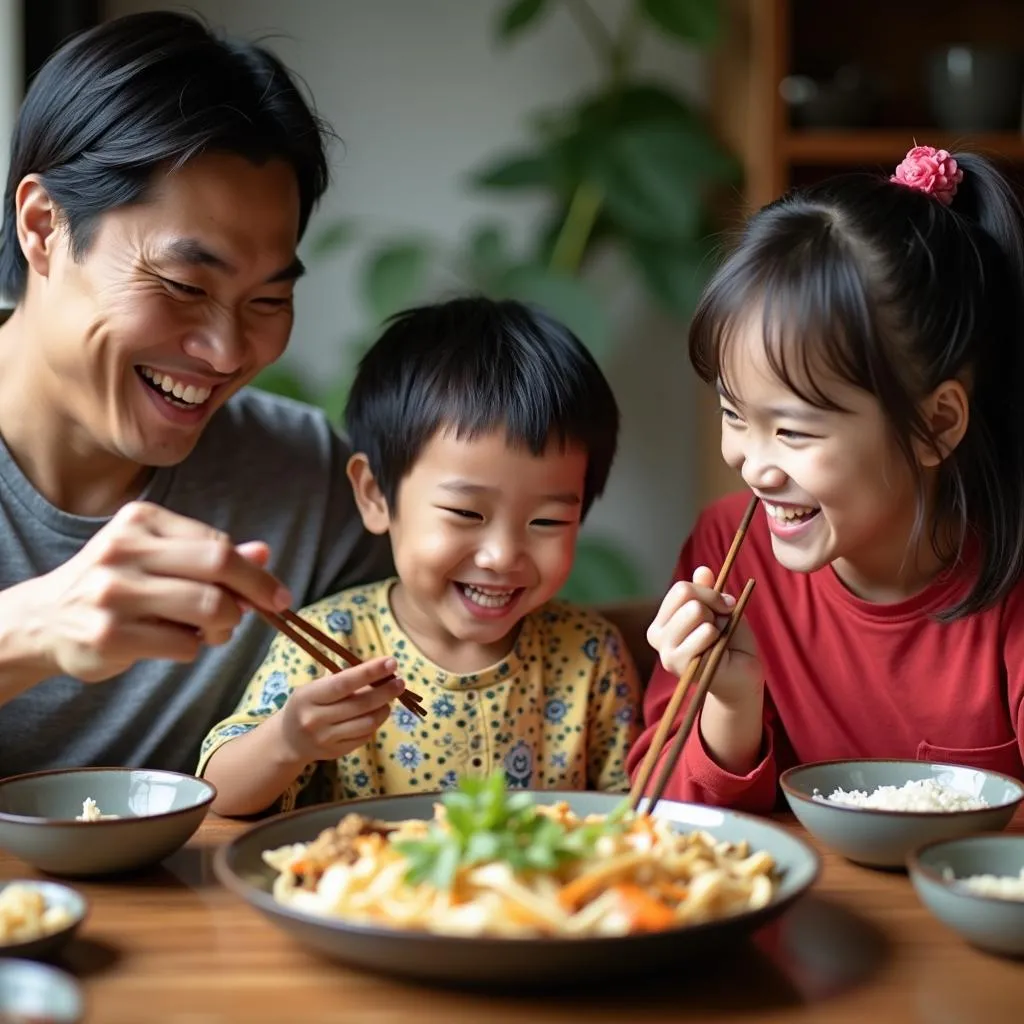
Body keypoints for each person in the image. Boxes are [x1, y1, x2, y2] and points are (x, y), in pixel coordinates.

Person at [0, 11, 392, 777]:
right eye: (183, 285)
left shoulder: (306, 483)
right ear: (44, 227)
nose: (225, 351)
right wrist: (31, 632)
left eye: (268, 301)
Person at [630, 145, 1024, 812]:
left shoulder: (1010, 583)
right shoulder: (729, 551)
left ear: (935, 424)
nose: (753, 464)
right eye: (734, 413)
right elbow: (660, 815)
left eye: (794, 431)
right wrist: (730, 699)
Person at [200, 296, 641, 816]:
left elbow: (633, 812)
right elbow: (219, 795)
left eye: (547, 522)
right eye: (466, 513)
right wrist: (288, 741)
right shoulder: (333, 643)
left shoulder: (591, 654)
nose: (502, 555)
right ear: (375, 495)